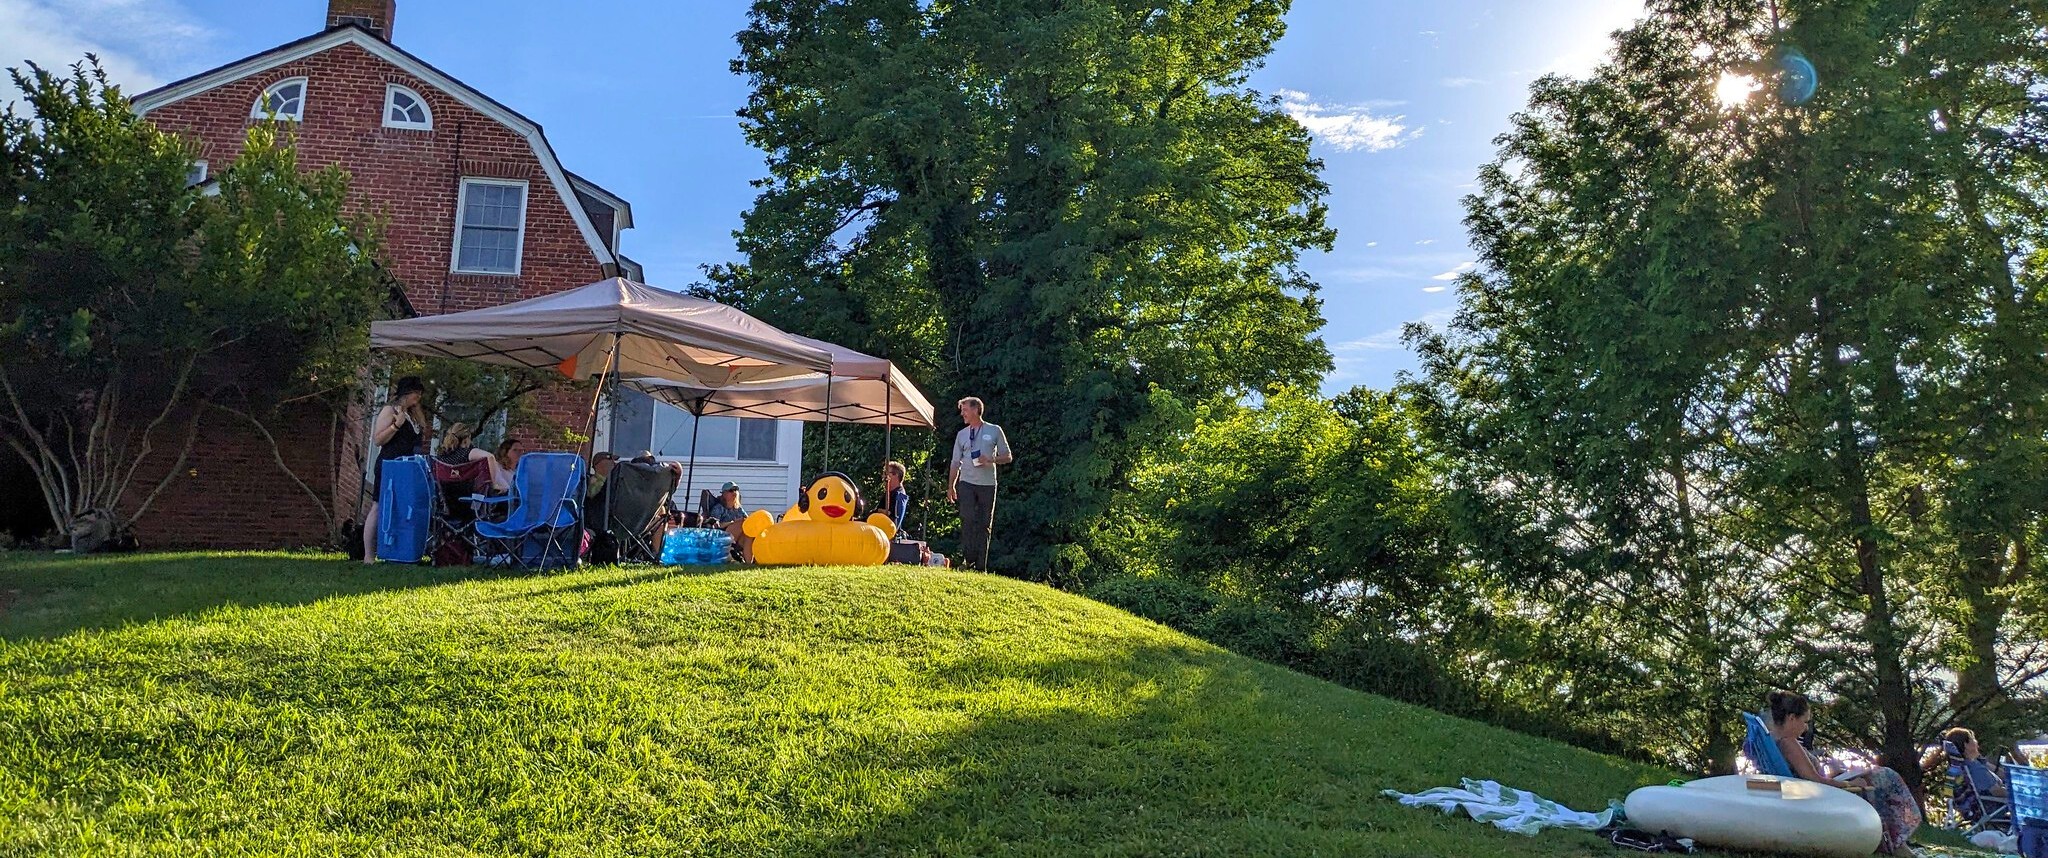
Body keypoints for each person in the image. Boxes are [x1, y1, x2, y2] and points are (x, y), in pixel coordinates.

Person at [1765, 690, 1922, 854]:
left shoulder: (1776, 739)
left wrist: (1837, 775)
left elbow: (1809, 777)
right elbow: (1815, 780)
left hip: (1819, 791)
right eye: (1804, 722)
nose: (1805, 728)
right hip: (1822, 795)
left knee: (1879, 774)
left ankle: (1894, 841)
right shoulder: (1789, 743)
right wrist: (1848, 783)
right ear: (1792, 718)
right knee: (1886, 776)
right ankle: (1895, 842)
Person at [362, 376, 427, 564]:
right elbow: (378, 439)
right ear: (406, 393)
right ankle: (368, 555)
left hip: (406, 469)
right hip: (390, 464)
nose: (418, 397)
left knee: (401, 507)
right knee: (379, 505)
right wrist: (396, 425)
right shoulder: (390, 410)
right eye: (416, 392)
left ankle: (395, 550)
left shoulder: (414, 417)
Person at [947, 396, 1012, 571]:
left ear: (976, 410)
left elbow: (1008, 456)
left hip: (988, 484)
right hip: (966, 483)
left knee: (984, 524)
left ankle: (981, 566)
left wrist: (991, 459)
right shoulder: (962, 434)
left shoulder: (994, 430)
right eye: (962, 411)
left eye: (965, 410)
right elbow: (955, 462)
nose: (962, 414)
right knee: (967, 519)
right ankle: (969, 560)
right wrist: (951, 486)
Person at [436, 422, 509, 492]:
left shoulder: (441, 456)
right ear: (467, 438)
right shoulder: (467, 452)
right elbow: (490, 457)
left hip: (444, 495)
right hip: (468, 496)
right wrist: (494, 484)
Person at [1947, 727, 2009, 800]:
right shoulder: (1974, 768)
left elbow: (1948, 795)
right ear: (1966, 745)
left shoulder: (1955, 768)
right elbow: (1997, 791)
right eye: (1973, 739)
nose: (1976, 742)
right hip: (1996, 804)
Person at [882, 461, 911, 528]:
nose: (883, 476)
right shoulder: (890, 493)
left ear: (896, 475)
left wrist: (879, 511)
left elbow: (893, 523)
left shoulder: (898, 496)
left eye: (885, 473)